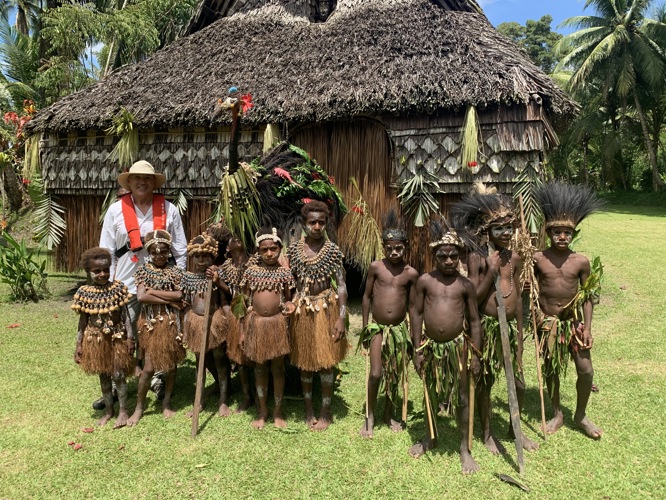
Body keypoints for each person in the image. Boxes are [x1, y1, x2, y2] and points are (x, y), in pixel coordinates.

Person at [450, 185, 538, 453]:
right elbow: (473, 299)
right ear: (487, 231)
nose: (506, 233)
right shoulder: (478, 258)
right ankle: (487, 434)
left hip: (510, 327)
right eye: (499, 228)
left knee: (519, 382)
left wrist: (520, 338)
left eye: (510, 227)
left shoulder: (515, 257)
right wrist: (490, 270)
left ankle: (515, 430)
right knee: (486, 382)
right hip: (487, 328)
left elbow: (519, 302)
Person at [97, 160, 187, 409]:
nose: (142, 182)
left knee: (161, 332)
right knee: (125, 335)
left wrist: (178, 280)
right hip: (125, 284)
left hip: (162, 285)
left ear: (154, 183)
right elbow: (108, 251)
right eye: (136, 178)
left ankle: (158, 379)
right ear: (129, 182)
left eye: (147, 178)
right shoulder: (116, 211)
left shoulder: (169, 210)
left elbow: (180, 250)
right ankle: (120, 386)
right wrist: (110, 285)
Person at [408, 221, 482, 475]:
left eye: (453, 256)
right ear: (435, 256)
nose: (449, 261)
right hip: (430, 347)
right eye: (443, 256)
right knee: (430, 392)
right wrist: (417, 348)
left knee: (462, 396)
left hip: (457, 347)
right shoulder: (425, 281)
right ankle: (431, 437)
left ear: (459, 256)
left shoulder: (465, 285)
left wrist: (476, 355)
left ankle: (465, 448)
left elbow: (474, 321)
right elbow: (416, 314)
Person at [533, 182, 603, 439]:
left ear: (574, 234)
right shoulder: (538, 259)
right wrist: (537, 314)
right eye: (557, 232)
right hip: (549, 324)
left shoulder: (580, 261)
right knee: (551, 369)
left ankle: (580, 414)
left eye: (567, 233)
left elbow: (588, 296)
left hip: (573, 325)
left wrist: (587, 328)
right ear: (548, 232)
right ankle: (557, 412)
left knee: (586, 370)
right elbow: (531, 289)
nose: (562, 237)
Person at [287, 200, 348, 431]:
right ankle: (308, 407)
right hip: (302, 310)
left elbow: (341, 286)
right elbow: (288, 283)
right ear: (304, 224)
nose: (317, 226)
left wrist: (341, 317)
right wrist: (290, 303)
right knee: (304, 361)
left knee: (326, 361)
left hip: (326, 308)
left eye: (321, 222)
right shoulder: (293, 251)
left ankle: (325, 409)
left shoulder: (332, 251)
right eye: (312, 222)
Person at [358, 210, 418, 438]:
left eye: (399, 248)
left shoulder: (410, 273)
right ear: (384, 247)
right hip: (378, 329)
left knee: (393, 373)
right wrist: (365, 327)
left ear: (406, 247)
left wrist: (413, 335)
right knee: (376, 373)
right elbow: (366, 298)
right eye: (390, 248)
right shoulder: (376, 267)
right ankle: (369, 415)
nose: (394, 252)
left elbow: (412, 307)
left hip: (399, 330)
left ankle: (387, 412)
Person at [239, 228, 296, 429]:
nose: (269, 253)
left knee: (278, 369)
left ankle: (277, 411)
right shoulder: (251, 272)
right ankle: (262, 411)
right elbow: (242, 302)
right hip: (256, 325)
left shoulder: (284, 273)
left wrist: (289, 305)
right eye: (265, 250)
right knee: (260, 368)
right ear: (258, 251)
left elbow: (288, 298)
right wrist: (242, 331)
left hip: (277, 324)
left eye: (273, 249)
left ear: (280, 248)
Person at [128, 230, 185, 426]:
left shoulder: (176, 271)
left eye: (163, 251)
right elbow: (142, 297)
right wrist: (165, 298)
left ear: (169, 251)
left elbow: (179, 295)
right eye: (155, 252)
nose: (159, 255)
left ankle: (166, 402)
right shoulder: (143, 270)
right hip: (151, 323)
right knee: (149, 367)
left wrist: (153, 291)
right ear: (149, 252)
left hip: (171, 323)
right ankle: (139, 407)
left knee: (171, 365)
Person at [72, 247, 133, 428]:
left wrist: (130, 338)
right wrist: (79, 344)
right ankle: (109, 410)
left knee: (118, 374)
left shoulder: (119, 289)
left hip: (117, 338)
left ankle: (123, 411)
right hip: (95, 340)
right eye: (97, 271)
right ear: (88, 272)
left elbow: (127, 316)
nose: (102, 274)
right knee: (103, 375)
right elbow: (83, 321)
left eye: (106, 269)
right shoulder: (84, 293)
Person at [182, 234, 232, 417]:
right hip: (196, 321)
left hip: (214, 320)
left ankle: (223, 400)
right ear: (192, 258)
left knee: (219, 359)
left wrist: (218, 281)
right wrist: (187, 324)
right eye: (197, 256)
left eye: (205, 256)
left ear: (212, 257)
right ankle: (199, 401)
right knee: (199, 362)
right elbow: (185, 304)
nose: (201, 260)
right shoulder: (188, 278)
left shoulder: (218, 275)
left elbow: (225, 299)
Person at [216, 234, 255, 412]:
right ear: (227, 248)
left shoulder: (256, 262)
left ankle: (263, 392)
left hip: (256, 314)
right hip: (234, 315)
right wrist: (229, 314)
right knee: (241, 359)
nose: (236, 238)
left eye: (240, 235)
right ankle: (247, 396)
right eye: (232, 237)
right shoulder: (223, 269)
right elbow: (224, 299)